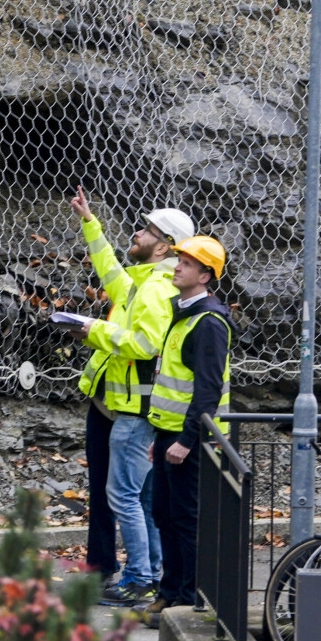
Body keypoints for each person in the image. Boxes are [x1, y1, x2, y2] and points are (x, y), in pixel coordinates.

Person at [69, 186, 196, 606]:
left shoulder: (157, 290)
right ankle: (151, 574)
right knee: (138, 497)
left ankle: (139, 577)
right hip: (120, 406)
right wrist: (91, 224)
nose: (136, 235)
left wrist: (93, 330)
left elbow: (144, 344)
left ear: (162, 247)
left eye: (145, 231)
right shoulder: (144, 283)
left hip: (135, 411)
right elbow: (110, 272)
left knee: (125, 496)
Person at [134, 235, 233, 628]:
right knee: (165, 515)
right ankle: (170, 592)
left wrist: (186, 441)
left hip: (192, 441)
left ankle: (188, 600)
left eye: (187, 264)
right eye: (179, 261)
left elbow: (207, 392)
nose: (177, 267)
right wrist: (163, 438)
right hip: (170, 436)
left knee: (188, 520)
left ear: (205, 276)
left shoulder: (208, 323)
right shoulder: (185, 314)